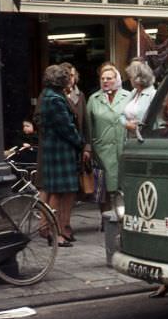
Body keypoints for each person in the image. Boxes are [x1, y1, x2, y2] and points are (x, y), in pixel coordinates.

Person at [39, 65, 84, 247]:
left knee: (56, 192)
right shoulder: (55, 99)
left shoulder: (49, 96)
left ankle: (54, 231)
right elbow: (66, 127)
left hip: (54, 149)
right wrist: (79, 142)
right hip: (60, 150)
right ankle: (55, 233)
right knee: (57, 193)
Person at [86, 64, 131, 220]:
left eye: (109, 78)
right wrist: (89, 147)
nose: (105, 81)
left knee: (123, 185)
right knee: (104, 188)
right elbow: (88, 126)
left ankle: (124, 217)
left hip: (123, 148)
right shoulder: (94, 99)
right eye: (103, 78)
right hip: (102, 150)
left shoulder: (128, 96)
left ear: (117, 79)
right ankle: (106, 220)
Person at [60, 62, 87, 241]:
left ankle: (66, 223)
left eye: (72, 75)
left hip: (76, 148)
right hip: (63, 148)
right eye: (67, 75)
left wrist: (87, 147)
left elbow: (85, 123)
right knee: (58, 191)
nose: (70, 79)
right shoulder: (57, 96)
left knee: (72, 190)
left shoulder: (80, 95)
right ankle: (55, 226)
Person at [121, 59, 157, 137]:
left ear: (138, 78)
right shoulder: (133, 93)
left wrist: (135, 126)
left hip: (146, 139)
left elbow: (156, 122)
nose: (129, 79)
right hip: (130, 139)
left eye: (130, 77)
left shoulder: (153, 94)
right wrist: (126, 124)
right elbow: (120, 114)